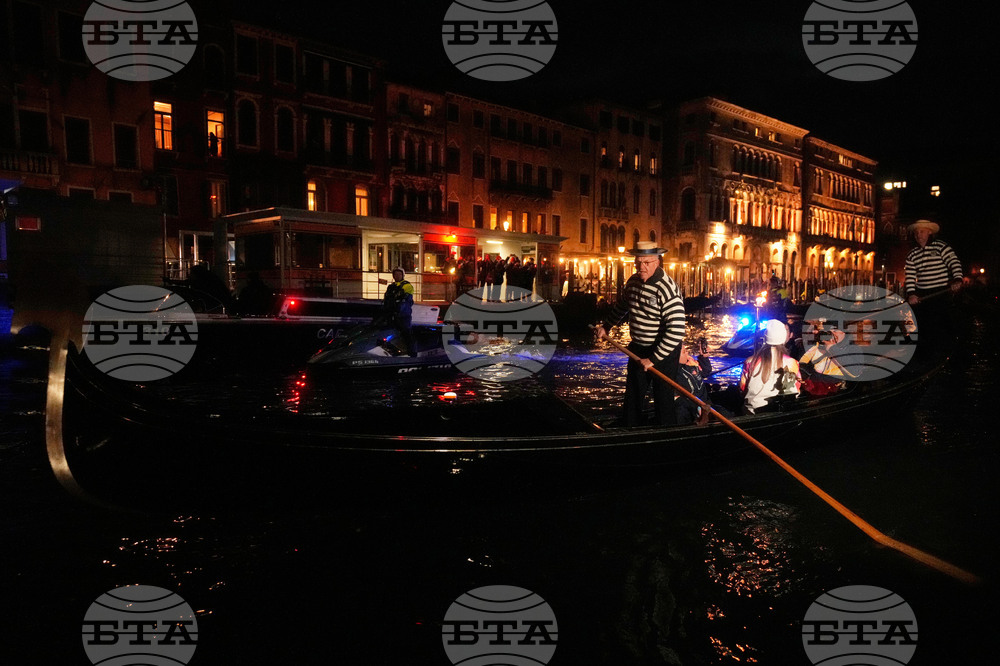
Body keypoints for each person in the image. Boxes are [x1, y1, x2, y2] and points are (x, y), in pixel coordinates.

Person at [595, 241, 686, 426]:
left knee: (663, 398)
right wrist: (607, 326)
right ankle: (630, 429)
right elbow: (622, 306)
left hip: (663, 351)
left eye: (646, 263)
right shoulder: (633, 282)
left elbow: (677, 331)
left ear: (657, 262)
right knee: (633, 395)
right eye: (638, 262)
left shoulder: (667, 288)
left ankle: (665, 434)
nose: (641, 267)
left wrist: (653, 359)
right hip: (638, 348)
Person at [903, 219, 963, 350]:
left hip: (941, 292)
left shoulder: (941, 247)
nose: (919, 235)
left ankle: (945, 348)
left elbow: (954, 263)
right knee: (922, 323)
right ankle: (924, 351)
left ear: (929, 232)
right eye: (916, 232)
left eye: (922, 231)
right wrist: (912, 294)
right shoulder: (912, 255)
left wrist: (957, 279)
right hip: (923, 294)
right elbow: (910, 277)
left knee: (941, 321)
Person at [739, 319, 801, 414]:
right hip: (780, 410)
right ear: (783, 338)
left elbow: (743, 388)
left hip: (752, 411)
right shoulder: (792, 363)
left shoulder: (750, 361)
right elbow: (796, 389)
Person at [383, 267, 416, 356]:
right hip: (392, 313)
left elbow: (404, 299)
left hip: (403, 314)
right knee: (390, 333)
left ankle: (412, 353)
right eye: (395, 274)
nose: (397, 276)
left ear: (403, 275)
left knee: (406, 333)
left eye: (399, 274)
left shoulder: (407, 285)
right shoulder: (391, 286)